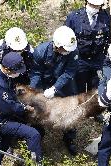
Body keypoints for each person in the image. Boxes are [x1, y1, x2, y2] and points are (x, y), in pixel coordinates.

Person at [0, 52, 42, 162]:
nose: (18, 73)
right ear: (8, 69)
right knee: (34, 134)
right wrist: (24, 108)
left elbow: (9, 97)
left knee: (2, 145)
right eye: (16, 71)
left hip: (0, 115)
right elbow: (7, 108)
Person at [29, 26, 78, 155]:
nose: (67, 51)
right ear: (57, 45)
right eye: (64, 49)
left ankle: (69, 138)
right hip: (44, 82)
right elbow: (36, 73)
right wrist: (34, 91)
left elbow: (69, 72)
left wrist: (55, 88)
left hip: (64, 84)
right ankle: (37, 136)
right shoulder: (40, 51)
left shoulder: (72, 50)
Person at [66, 0, 111, 93]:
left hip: (97, 60)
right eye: (92, 5)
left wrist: (103, 57)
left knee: (95, 92)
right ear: (86, 2)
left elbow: (108, 38)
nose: (94, 8)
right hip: (80, 60)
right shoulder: (74, 17)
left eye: (97, 6)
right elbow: (66, 37)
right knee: (79, 91)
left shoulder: (105, 17)